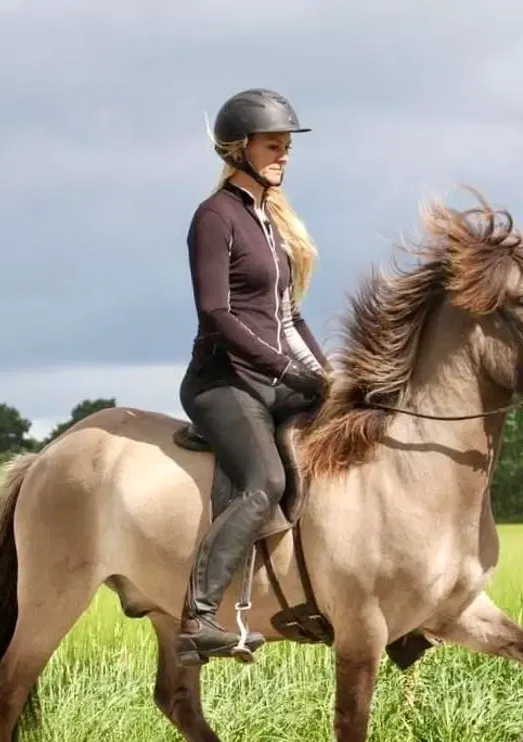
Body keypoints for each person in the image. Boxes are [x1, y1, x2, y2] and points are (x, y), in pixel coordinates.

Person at [176, 88, 331, 666]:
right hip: (222, 383)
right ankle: (199, 618)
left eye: (287, 147)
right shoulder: (214, 218)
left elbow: (288, 316)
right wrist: (290, 372)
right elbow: (216, 315)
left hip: (270, 378)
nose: (283, 156)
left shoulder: (267, 219)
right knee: (264, 480)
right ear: (239, 148)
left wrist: (328, 380)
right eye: (273, 145)